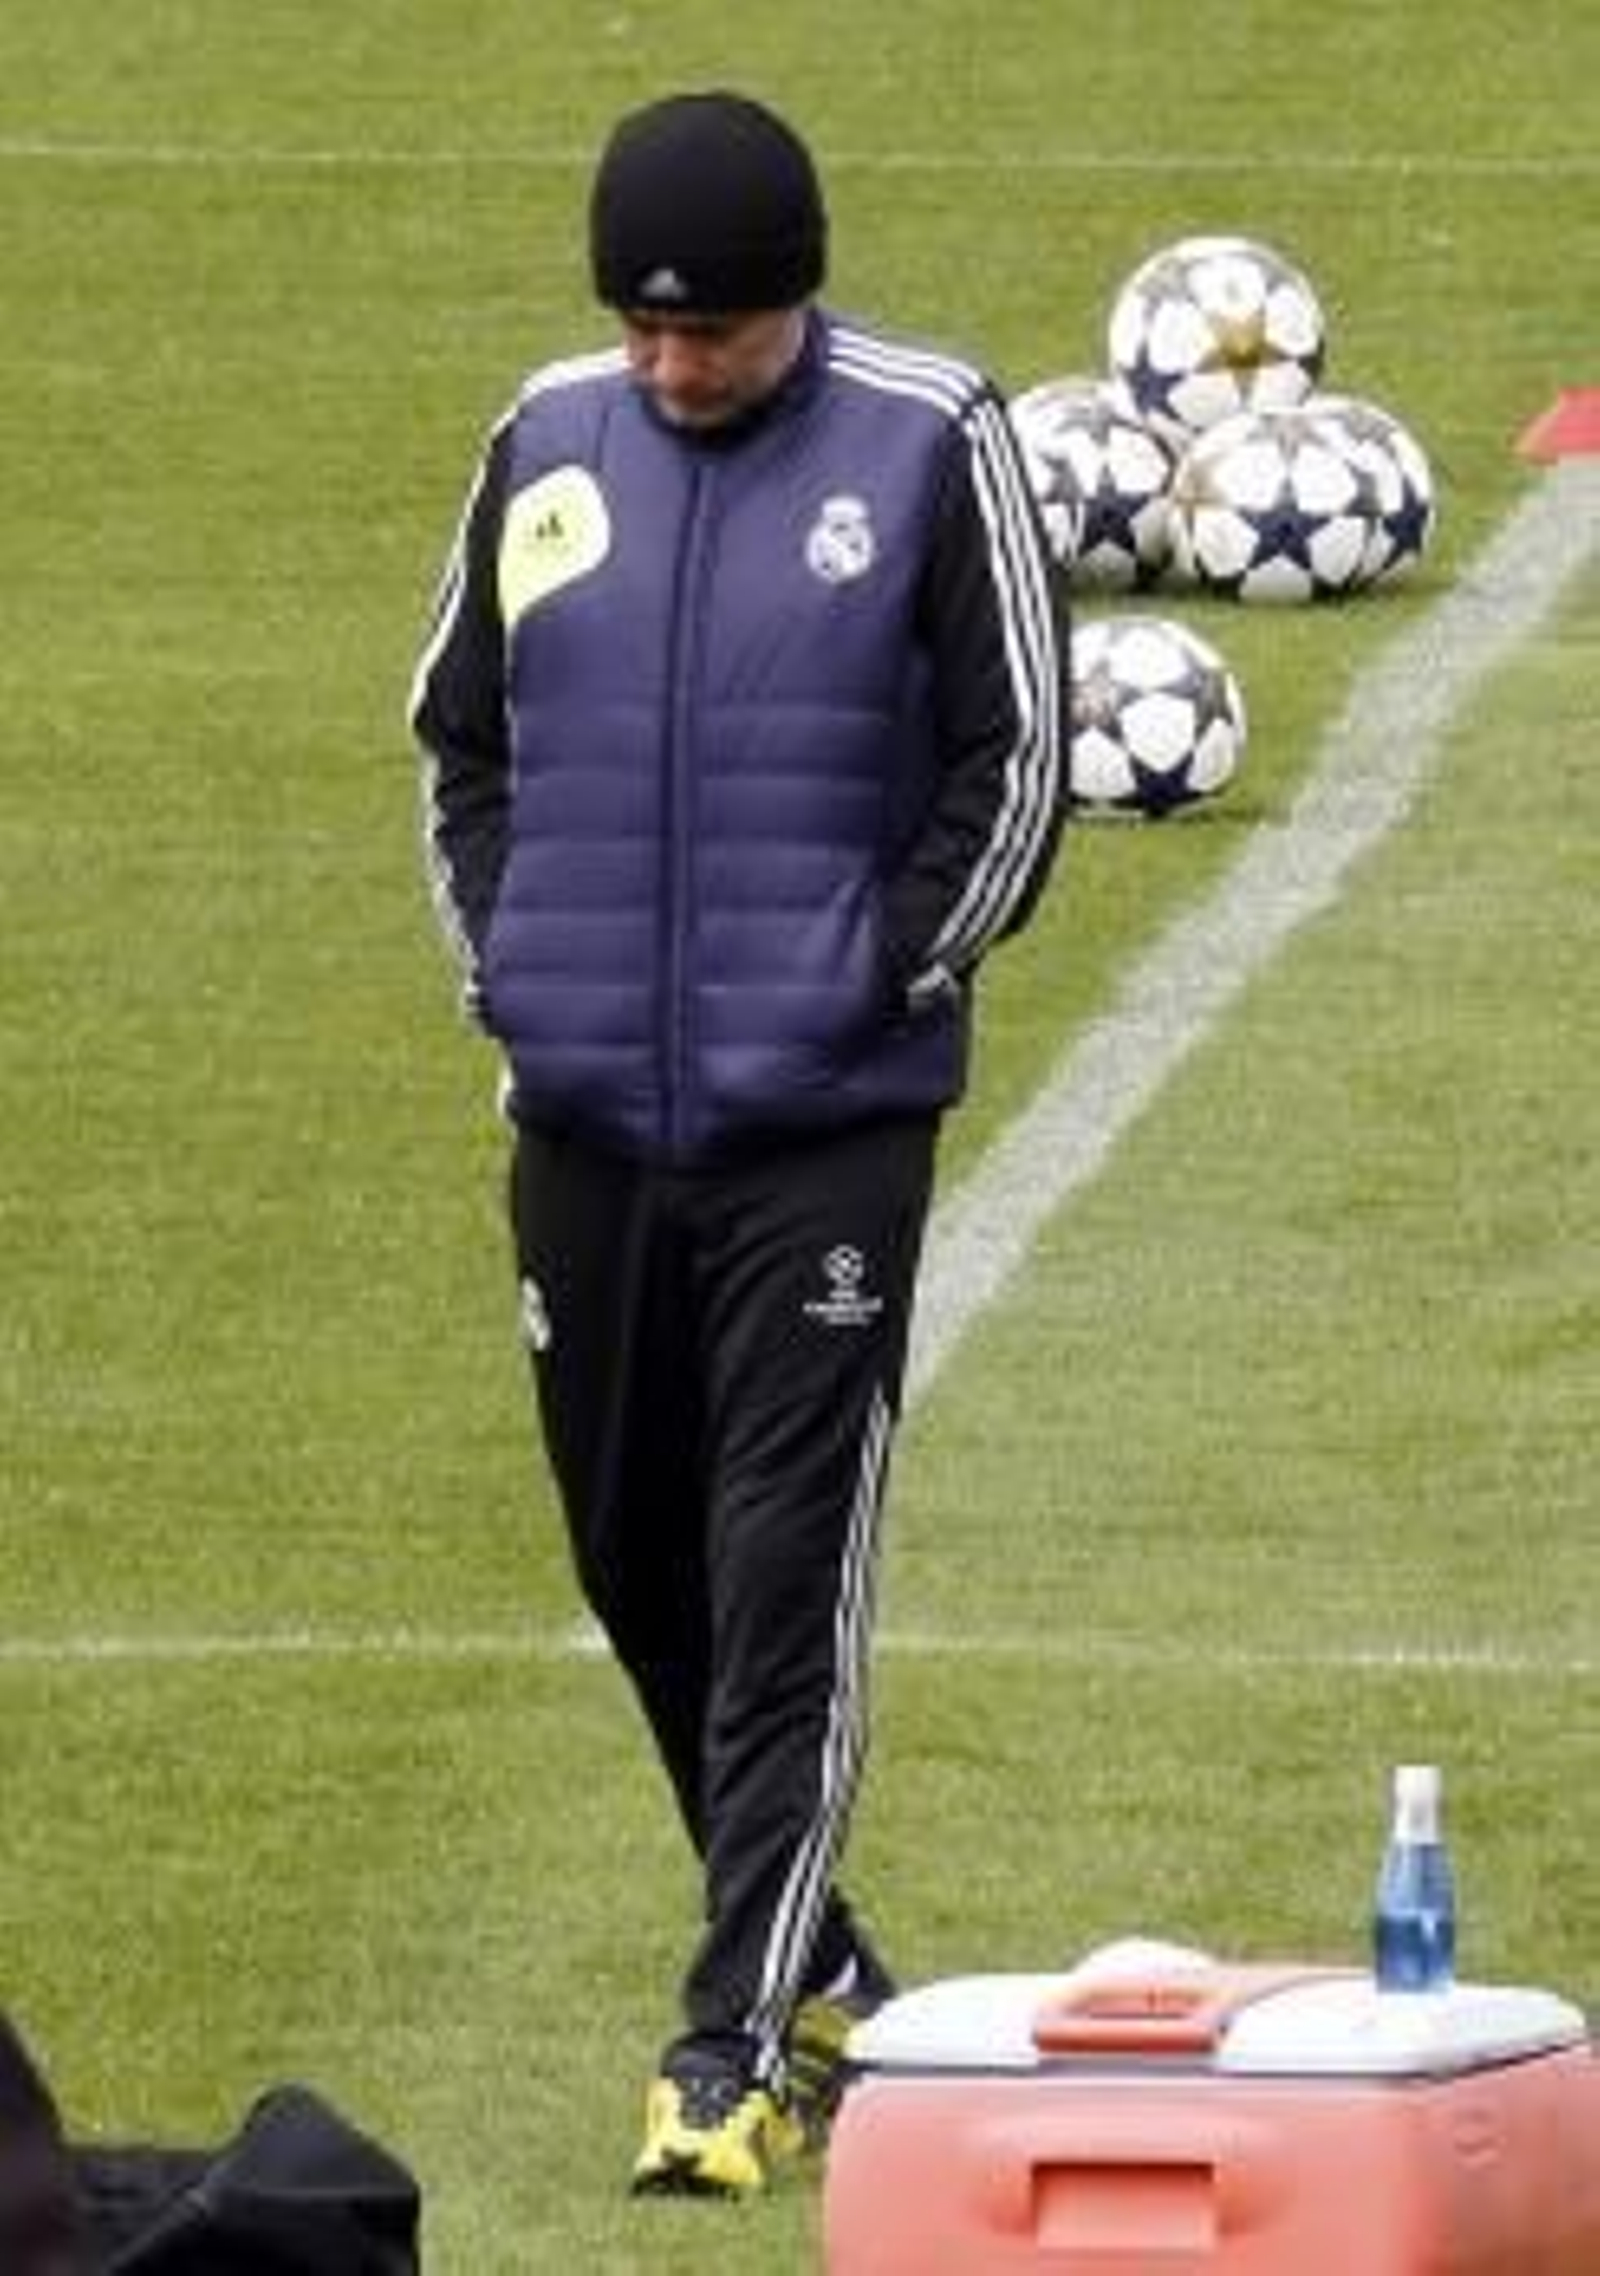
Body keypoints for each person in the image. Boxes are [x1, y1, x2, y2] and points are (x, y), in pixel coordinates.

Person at [409, 87, 1068, 2199]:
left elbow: (1018, 758)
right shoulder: (544, 445)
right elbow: (457, 740)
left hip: (822, 1140)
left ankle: (730, 2052)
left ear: (797, 299)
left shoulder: (927, 438)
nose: (672, 364)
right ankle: (831, 1956)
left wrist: (871, 975)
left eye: (710, 331)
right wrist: (514, 971)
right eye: (643, 327)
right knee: (633, 1557)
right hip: (586, 1116)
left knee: (781, 1576)